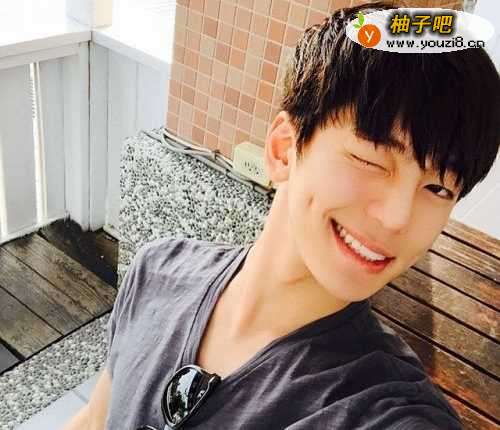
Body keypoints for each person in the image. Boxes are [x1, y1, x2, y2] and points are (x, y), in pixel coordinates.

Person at [63, 1, 499, 429]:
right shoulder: (157, 271)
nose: (398, 218)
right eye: (371, 159)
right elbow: (96, 420)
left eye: (438, 188)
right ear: (283, 149)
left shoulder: (380, 409)